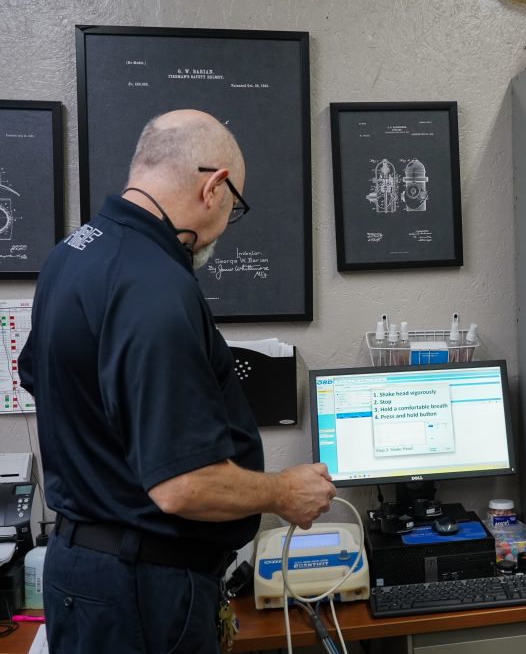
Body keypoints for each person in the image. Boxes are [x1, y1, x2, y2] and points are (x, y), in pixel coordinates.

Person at [19, 110, 337, 654]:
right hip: (142, 588)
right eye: (233, 207)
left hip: (82, 571)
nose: (225, 224)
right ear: (214, 187)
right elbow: (183, 485)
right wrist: (284, 492)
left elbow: (39, 377)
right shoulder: (154, 285)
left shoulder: (72, 255)